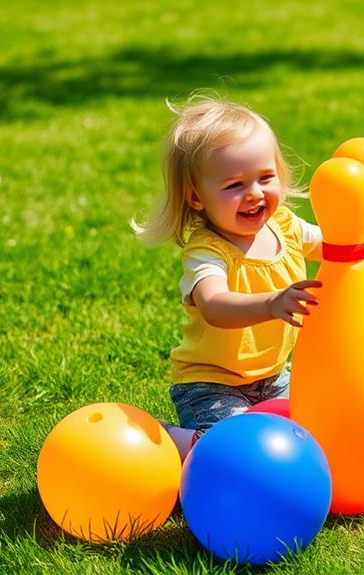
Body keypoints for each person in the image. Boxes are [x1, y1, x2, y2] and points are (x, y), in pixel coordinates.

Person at [133, 95, 322, 459]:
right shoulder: (207, 250)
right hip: (210, 383)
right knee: (232, 452)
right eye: (234, 185)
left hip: (274, 377)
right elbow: (215, 304)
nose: (254, 194)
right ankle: (171, 439)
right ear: (196, 197)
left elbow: (339, 247)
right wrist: (271, 302)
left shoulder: (285, 225)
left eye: (265, 177)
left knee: (313, 432)